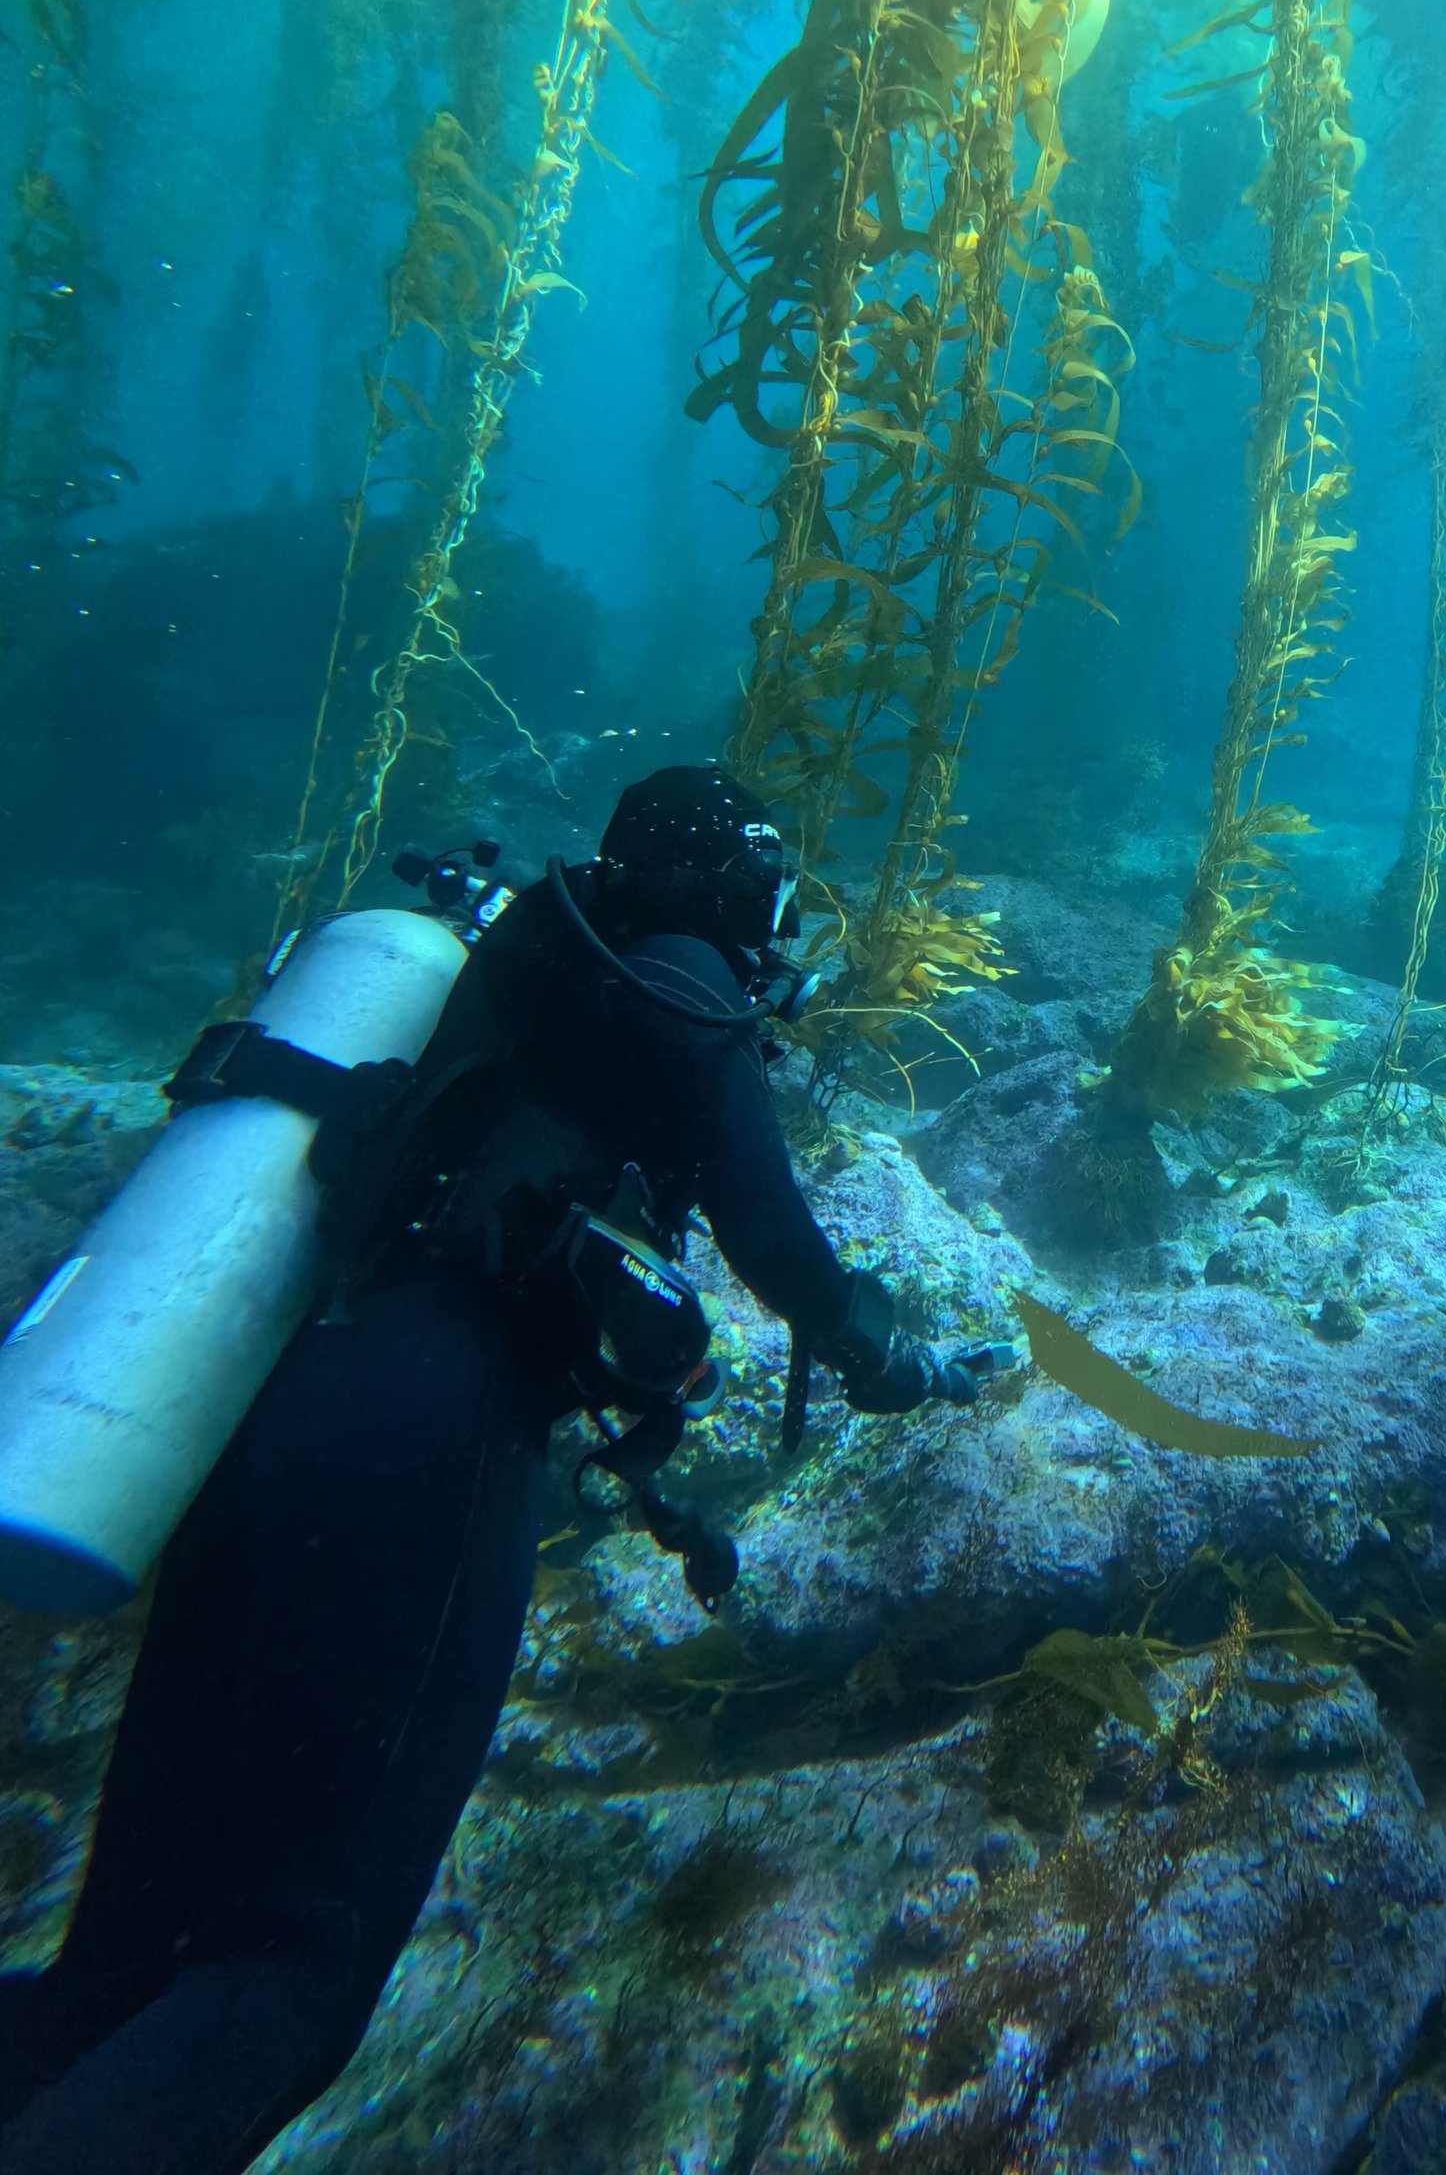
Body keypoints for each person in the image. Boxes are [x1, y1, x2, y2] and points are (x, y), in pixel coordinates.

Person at [0, 764, 995, 2174]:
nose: (779, 930)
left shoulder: (534, 940)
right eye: (773, 892)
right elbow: (784, 1253)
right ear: (735, 887)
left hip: (280, 1397)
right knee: (286, 1980)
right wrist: (898, 1358)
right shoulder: (683, 990)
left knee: (112, 1954)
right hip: (434, 1438)